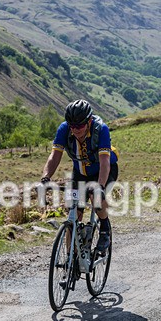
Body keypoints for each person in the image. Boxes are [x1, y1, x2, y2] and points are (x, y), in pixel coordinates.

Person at [41, 100, 119, 252]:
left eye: (79, 126)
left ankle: (104, 229)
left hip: (104, 171)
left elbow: (104, 161)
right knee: (74, 213)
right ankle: (71, 258)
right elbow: (54, 156)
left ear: (89, 121)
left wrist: (100, 186)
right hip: (80, 173)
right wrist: (45, 178)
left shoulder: (100, 129)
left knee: (95, 196)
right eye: (72, 126)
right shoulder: (64, 129)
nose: (75, 129)